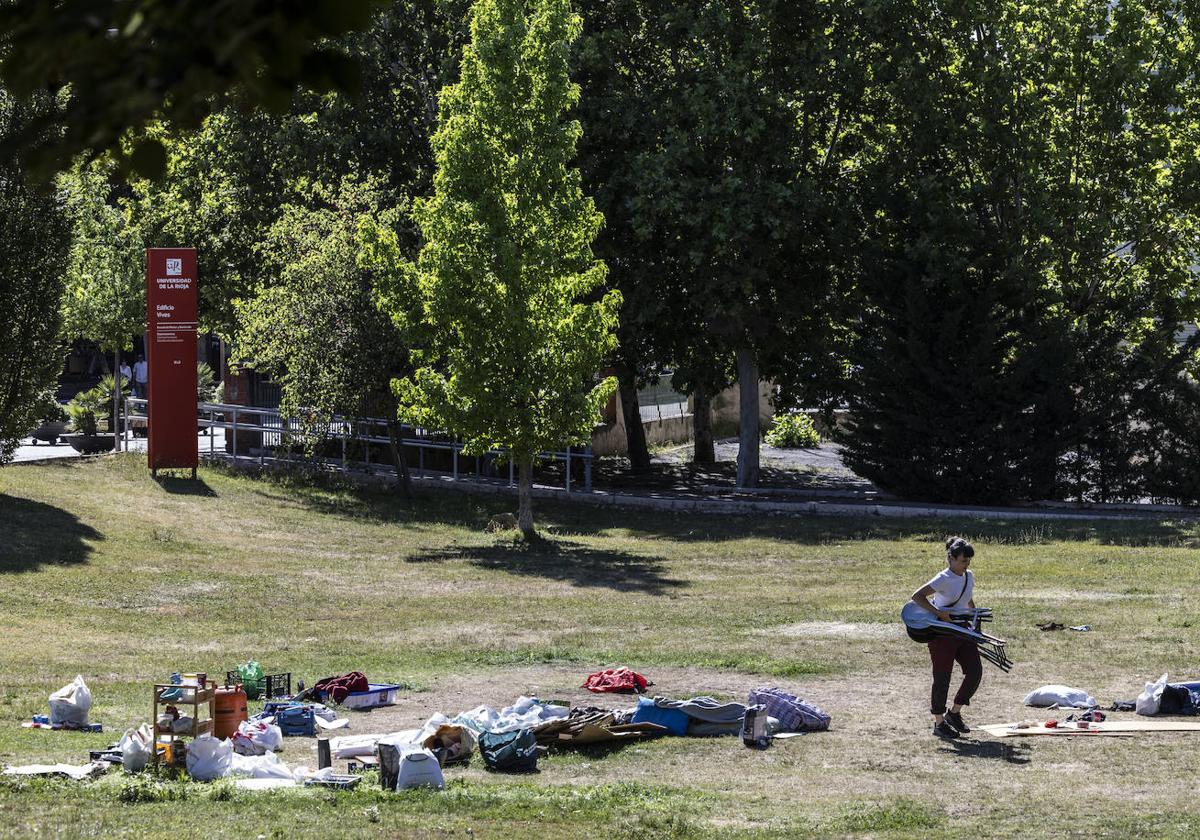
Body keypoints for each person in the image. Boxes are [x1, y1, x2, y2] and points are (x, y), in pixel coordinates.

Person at [911, 536, 982, 739]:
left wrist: (975, 620)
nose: (965, 565)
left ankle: (955, 713)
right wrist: (940, 613)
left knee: (975, 671)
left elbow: (968, 599)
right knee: (942, 677)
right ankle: (939, 722)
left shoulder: (969, 575)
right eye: (962, 561)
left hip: (962, 630)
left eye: (968, 561)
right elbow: (917, 596)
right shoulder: (943, 578)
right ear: (950, 559)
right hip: (942, 633)